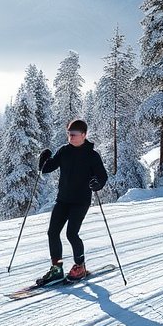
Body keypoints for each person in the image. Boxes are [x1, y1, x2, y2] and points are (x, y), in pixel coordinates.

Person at [36, 119, 108, 286]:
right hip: (63, 200)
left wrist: (97, 183)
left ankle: (80, 266)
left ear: (84, 135)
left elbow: (102, 176)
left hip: (80, 201)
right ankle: (57, 268)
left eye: (74, 134)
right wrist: (43, 160)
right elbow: (47, 169)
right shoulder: (64, 151)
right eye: (68, 134)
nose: (70, 137)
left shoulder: (92, 155)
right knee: (52, 232)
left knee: (71, 234)